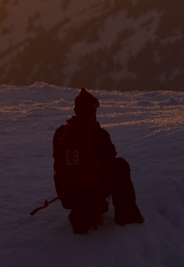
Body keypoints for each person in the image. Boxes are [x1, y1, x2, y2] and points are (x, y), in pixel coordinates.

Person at [52, 88, 145, 234]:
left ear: (76, 110)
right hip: (92, 194)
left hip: (67, 194)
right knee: (120, 165)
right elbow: (110, 156)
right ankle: (127, 216)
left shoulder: (60, 133)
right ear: (93, 111)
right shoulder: (97, 133)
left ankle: (81, 210)